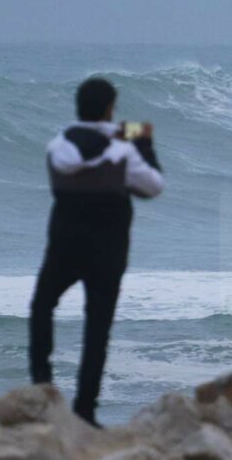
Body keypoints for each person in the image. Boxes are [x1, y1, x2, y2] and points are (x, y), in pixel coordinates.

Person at [29, 77, 164, 427]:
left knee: (42, 307)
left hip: (65, 243)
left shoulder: (58, 144)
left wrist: (109, 134)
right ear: (109, 109)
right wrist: (143, 144)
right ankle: (85, 410)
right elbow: (152, 186)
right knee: (97, 326)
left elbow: (73, 160)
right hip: (109, 249)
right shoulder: (123, 150)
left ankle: (41, 385)